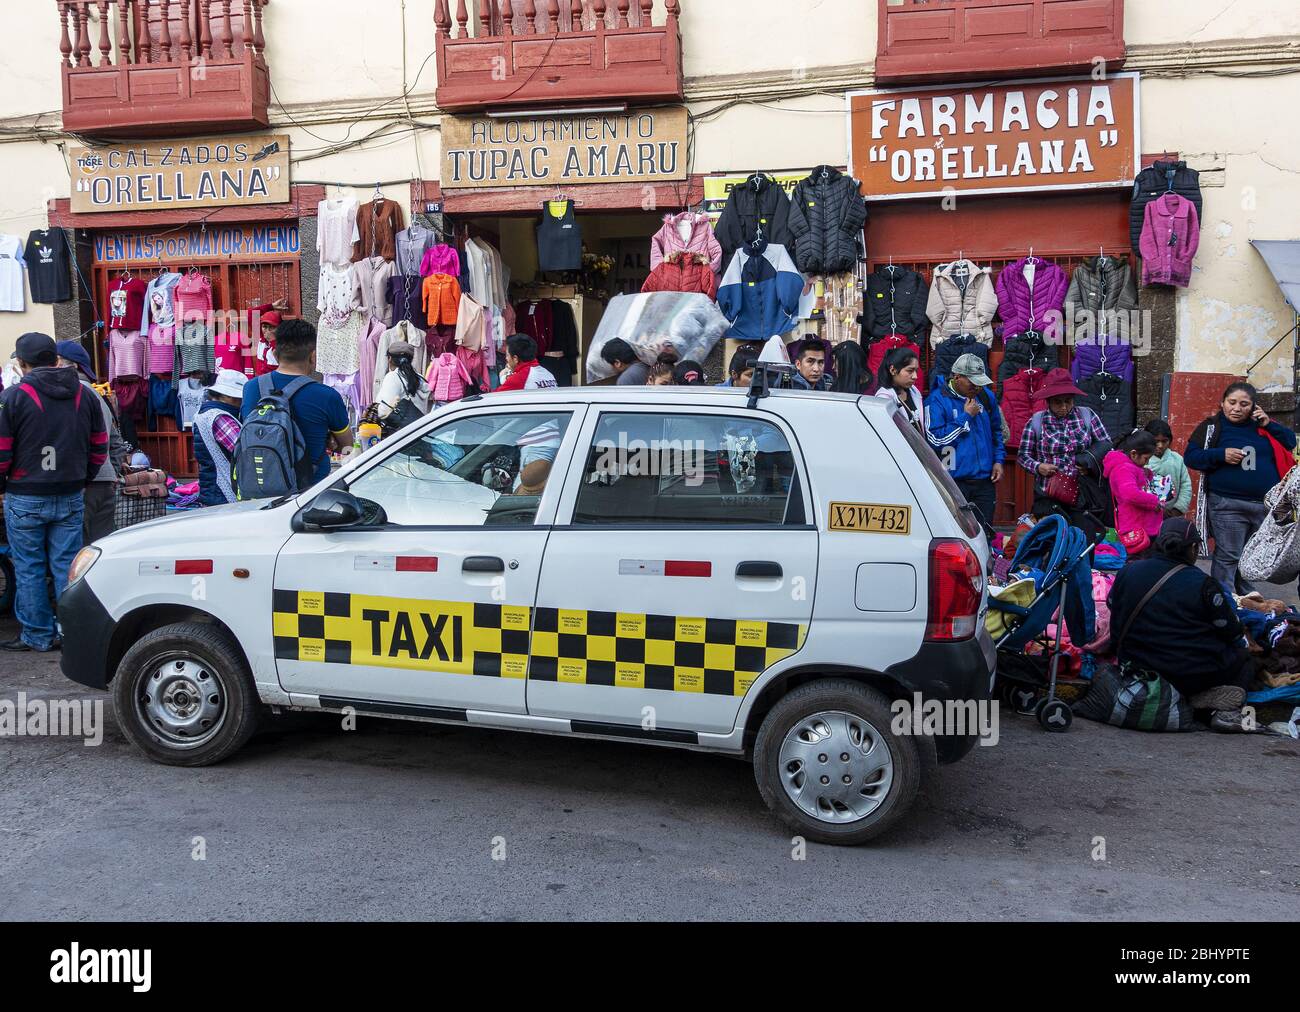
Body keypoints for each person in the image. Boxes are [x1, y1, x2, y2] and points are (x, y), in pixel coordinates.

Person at [0, 332, 107, 652]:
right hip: (71, 492)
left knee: (29, 566)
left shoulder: (14, 396)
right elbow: (99, 448)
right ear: (55, 359)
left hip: (25, 495)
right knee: (66, 565)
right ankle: (69, 633)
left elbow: (2, 450)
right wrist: (81, 478)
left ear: (21, 363)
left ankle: (37, 634)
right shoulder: (84, 394)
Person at [1107, 518, 1257, 732]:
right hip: (1187, 674)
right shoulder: (1204, 585)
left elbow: (1113, 606)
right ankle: (1225, 712)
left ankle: (1190, 698)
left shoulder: (1129, 571)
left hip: (1134, 665)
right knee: (1244, 658)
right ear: (1194, 548)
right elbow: (1232, 632)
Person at [1184, 381, 1297, 594]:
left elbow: (1290, 442)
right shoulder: (1212, 427)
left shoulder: (1264, 426)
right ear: (1222, 403)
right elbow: (1191, 457)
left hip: (1263, 506)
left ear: (1254, 406)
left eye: (1244, 404)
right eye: (1232, 402)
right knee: (1229, 555)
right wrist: (1220, 454)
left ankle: (1243, 592)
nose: (1237, 408)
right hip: (1227, 504)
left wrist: (1269, 424)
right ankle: (1224, 598)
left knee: (1250, 554)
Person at [239, 319, 353, 486]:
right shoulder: (327, 395)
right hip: (309, 493)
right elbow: (346, 447)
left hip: (259, 489)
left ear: (275, 354)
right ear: (313, 356)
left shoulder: (251, 388)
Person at [1017, 367, 1110, 540]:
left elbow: (1105, 443)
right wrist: (1039, 467)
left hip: (1082, 493)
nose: (1064, 407)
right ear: (1048, 401)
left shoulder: (1087, 416)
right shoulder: (1036, 422)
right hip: (1048, 493)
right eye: (1058, 402)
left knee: (1084, 538)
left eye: (1068, 401)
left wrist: (1088, 462)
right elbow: (1023, 456)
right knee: (1052, 540)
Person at [56, 339, 127, 542]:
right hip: (103, 482)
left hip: (85, 482)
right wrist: (110, 473)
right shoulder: (97, 395)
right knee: (100, 547)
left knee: (77, 549)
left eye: (56, 361)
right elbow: (116, 443)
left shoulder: (72, 393)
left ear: (71, 365)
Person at [925, 353, 1004, 537]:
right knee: (956, 535)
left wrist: (998, 460)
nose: (977, 387)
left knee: (985, 535)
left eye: (980, 382)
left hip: (984, 482)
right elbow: (936, 441)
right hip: (953, 482)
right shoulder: (936, 400)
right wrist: (966, 416)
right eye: (972, 382)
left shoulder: (986, 397)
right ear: (957, 377)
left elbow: (996, 431)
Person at [1103, 429, 1163, 557]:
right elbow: (1130, 493)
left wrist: (1146, 474)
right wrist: (1154, 501)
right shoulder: (1124, 468)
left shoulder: (1131, 466)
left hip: (1141, 525)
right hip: (1137, 526)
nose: (1147, 462)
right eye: (1146, 458)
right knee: (1140, 564)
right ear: (1134, 454)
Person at [193, 369, 248, 506]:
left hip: (213, 489)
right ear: (227, 396)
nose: (240, 402)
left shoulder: (206, 413)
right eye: (238, 398)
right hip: (222, 491)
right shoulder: (219, 417)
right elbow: (245, 451)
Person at [1144, 419, 1192, 516]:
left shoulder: (1177, 460)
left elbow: (1186, 486)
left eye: (1164, 441)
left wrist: (1177, 510)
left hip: (1172, 514)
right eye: (1156, 441)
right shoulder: (1142, 460)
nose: (1160, 445)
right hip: (1147, 514)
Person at [874, 346, 925, 435]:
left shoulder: (914, 391)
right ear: (893, 370)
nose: (915, 376)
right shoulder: (883, 399)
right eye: (910, 371)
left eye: (916, 371)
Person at [375, 340, 431, 419]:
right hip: (419, 428)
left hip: (401, 430)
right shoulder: (420, 378)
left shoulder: (393, 378)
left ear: (390, 358)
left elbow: (383, 411)